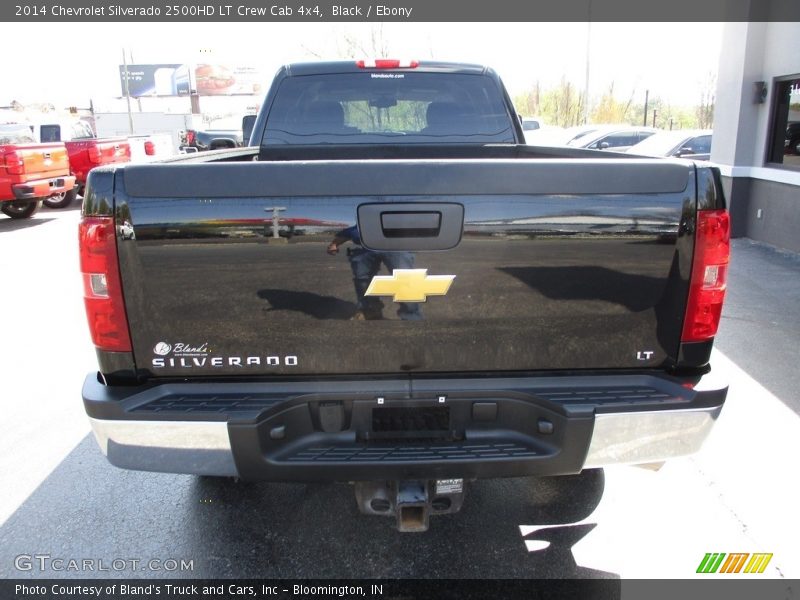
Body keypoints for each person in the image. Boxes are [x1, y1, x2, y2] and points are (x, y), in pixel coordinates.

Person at [327, 225, 422, 321]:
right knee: (363, 280)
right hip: (365, 248)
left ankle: (411, 316)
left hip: (396, 247)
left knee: (404, 280)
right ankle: (369, 311)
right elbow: (351, 231)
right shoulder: (363, 221)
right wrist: (334, 244)